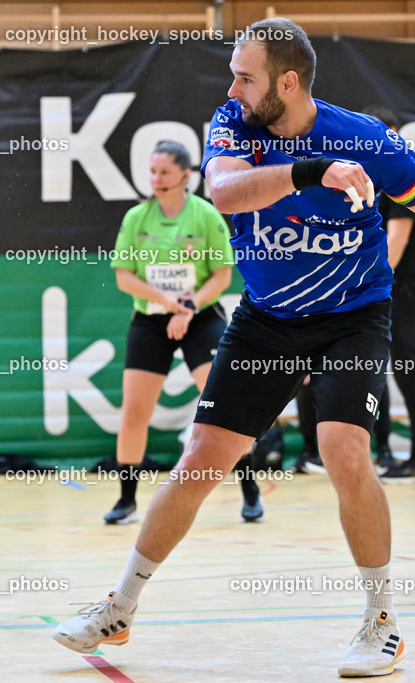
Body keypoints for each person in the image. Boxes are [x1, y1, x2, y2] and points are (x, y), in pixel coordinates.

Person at [53, 19, 415, 677]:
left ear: (287, 82)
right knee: (201, 457)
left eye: (245, 75)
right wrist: (313, 171)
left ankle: (382, 623)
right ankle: (121, 604)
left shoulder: (365, 139)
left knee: (343, 447)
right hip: (267, 319)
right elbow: (226, 191)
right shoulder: (233, 123)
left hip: (353, 317)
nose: (231, 85)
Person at [103, 140, 263, 525]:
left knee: (226, 408)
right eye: (152, 172)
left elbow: (223, 275)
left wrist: (188, 307)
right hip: (151, 320)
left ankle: (249, 489)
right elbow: (124, 277)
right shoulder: (136, 218)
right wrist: (167, 301)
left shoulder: (206, 216)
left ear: (185, 176)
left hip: (201, 318)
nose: (156, 179)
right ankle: (126, 499)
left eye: (164, 172)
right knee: (134, 413)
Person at [356, 106, 415, 482]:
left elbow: (397, 241)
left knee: (405, 361)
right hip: (384, 282)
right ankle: (385, 449)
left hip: (400, 283)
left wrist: (367, 283)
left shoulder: (400, 173)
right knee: (379, 363)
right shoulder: (368, 174)